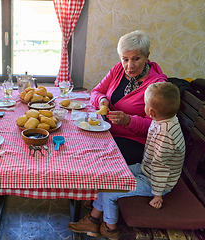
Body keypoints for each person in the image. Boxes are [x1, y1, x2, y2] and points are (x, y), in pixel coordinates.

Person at [69, 82, 185, 239]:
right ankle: (93, 219)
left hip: (157, 182)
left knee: (111, 192)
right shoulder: (165, 120)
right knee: (110, 176)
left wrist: (157, 194)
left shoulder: (166, 136)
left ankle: (110, 228)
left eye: (144, 104)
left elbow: (160, 167)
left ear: (150, 111)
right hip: (147, 168)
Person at [90, 30, 167, 165]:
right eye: (125, 59)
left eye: (136, 59)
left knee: (95, 161)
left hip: (134, 142)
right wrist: (102, 100)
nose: (129, 66)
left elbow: (155, 127)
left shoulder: (157, 86)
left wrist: (128, 121)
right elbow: (96, 92)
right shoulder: (118, 69)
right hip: (107, 133)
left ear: (146, 56)